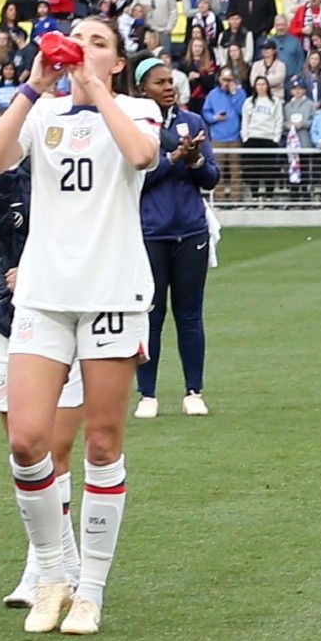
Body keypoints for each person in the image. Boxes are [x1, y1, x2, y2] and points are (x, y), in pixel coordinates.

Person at [0, 17, 162, 637]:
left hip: (111, 291)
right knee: (27, 441)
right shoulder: (41, 111)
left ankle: (92, 591)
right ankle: (53, 575)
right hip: (46, 294)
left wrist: (97, 89)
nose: (83, 49)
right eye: (78, 39)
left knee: (102, 444)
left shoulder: (133, 107)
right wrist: (32, 86)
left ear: (116, 62)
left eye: (99, 43)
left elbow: (141, 155)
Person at [0, 153, 86, 610]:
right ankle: (63, 563)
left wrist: (37, 271)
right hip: (8, 318)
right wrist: (2, 172)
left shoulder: (77, 162)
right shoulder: (1, 167)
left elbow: (96, 234)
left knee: (56, 448)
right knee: (24, 449)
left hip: (67, 315)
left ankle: (42, 567)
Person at [134, 57, 221, 418]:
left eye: (171, 81)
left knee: (189, 315)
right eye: (159, 82)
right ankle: (148, 394)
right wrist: (173, 158)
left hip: (190, 230)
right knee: (150, 315)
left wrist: (197, 160)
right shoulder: (134, 129)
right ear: (142, 89)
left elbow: (211, 178)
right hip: (151, 233)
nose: (168, 87)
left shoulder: (193, 122)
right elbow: (135, 181)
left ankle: (193, 391)